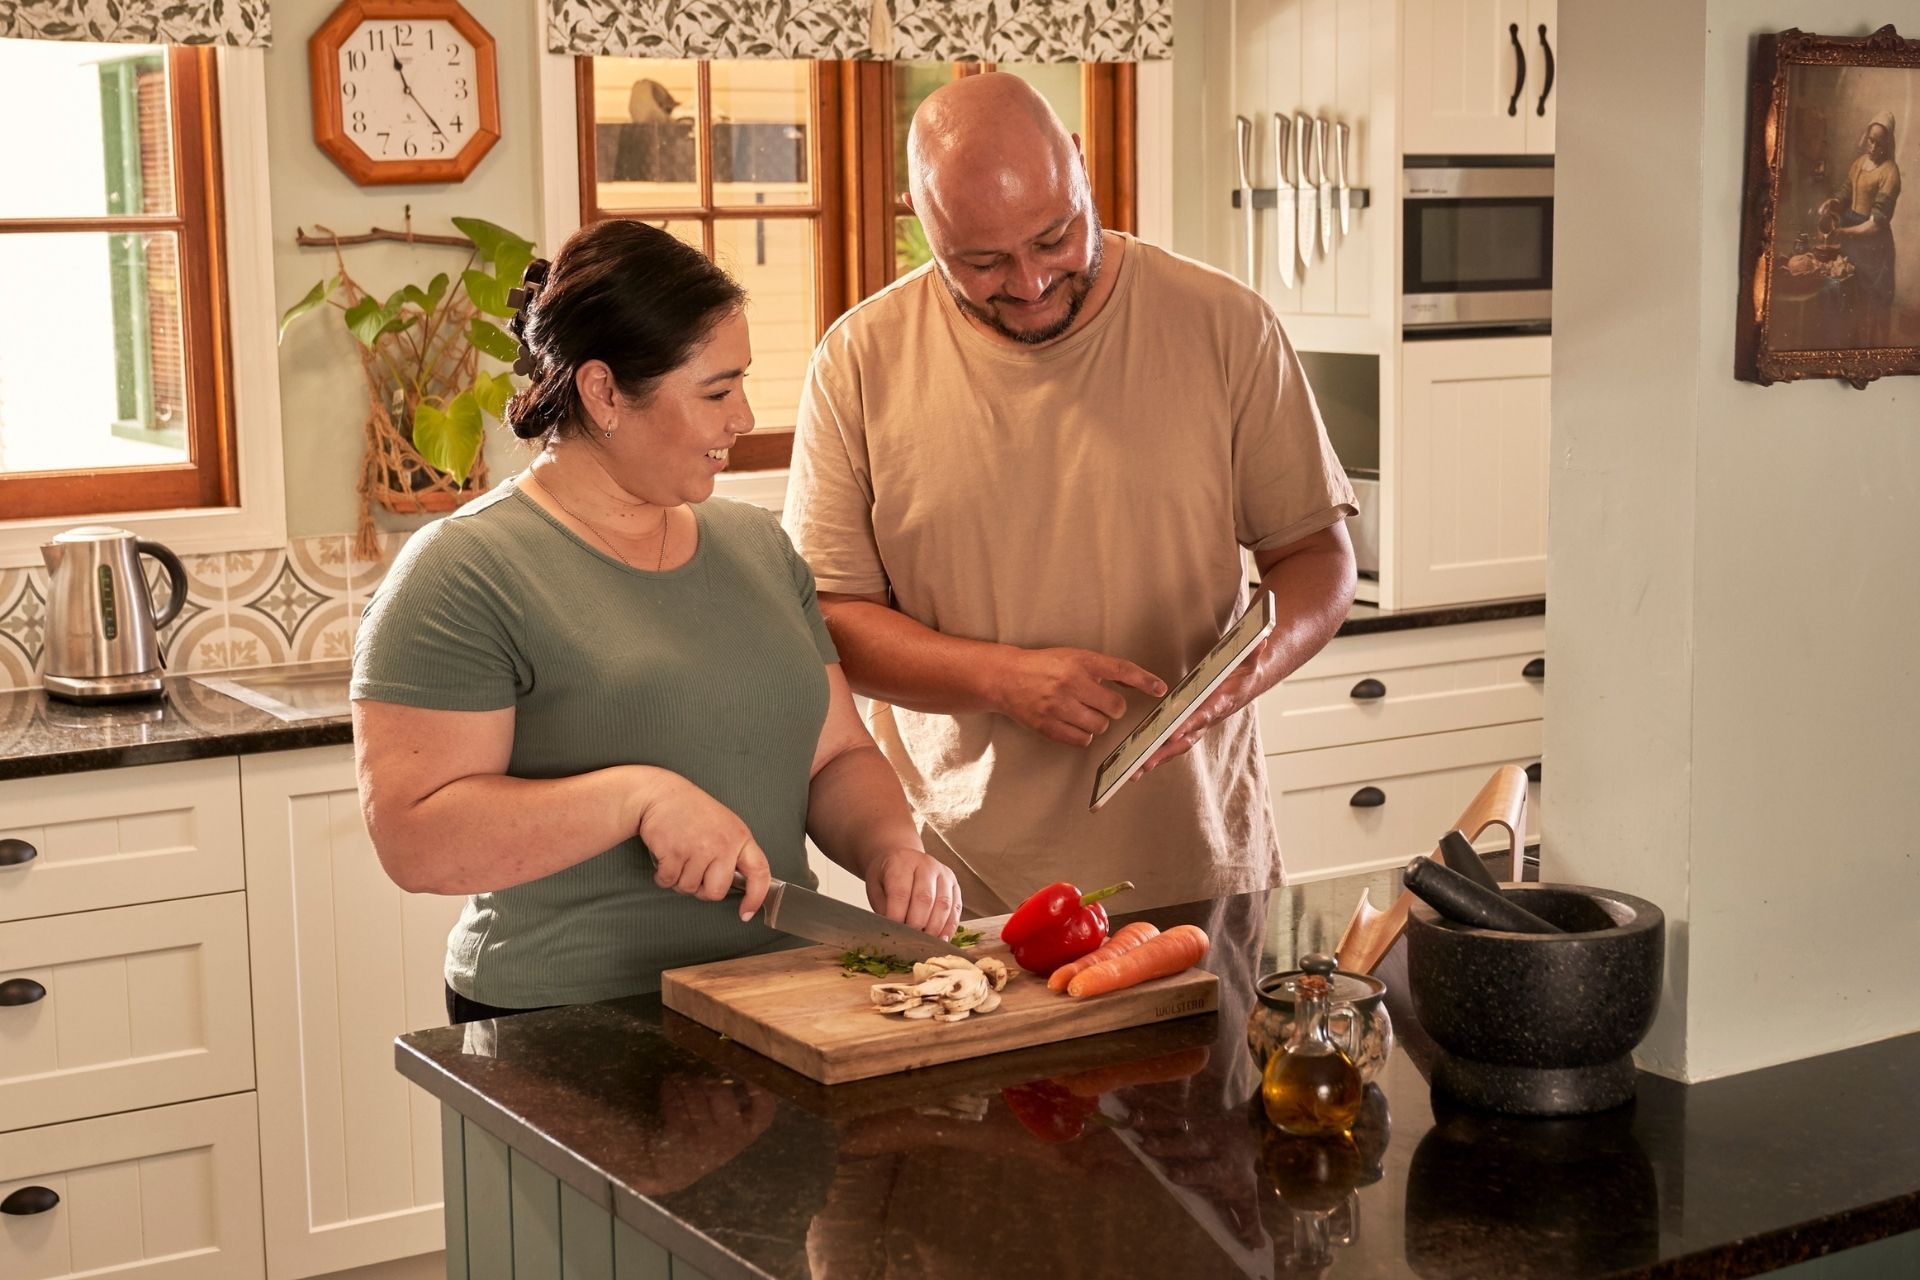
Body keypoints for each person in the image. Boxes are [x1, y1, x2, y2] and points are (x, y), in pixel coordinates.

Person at [352, 219, 962, 1024]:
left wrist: (892, 849)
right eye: (715, 391)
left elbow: (836, 755)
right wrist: (635, 799)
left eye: (740, 384)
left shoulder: (757, 546)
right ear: (604, 392)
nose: (742, 417)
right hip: (567, 1022)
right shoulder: (464, 571)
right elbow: (414, 840)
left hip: (783, 1001)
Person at [782, 73, 1357, 914]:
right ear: (919, 219)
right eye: (981, 262)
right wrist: (998, 678)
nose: (1028, 281)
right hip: (961, 882)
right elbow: (829, 618)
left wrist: (1249, 669)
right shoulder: (858, 362)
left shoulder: (1225, 325)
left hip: (1194, 862)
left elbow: (1315, 557)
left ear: (1081, 168)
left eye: (1056, 237)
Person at [1819, 111, 1901, 347]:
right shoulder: (1857, 164)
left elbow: (1876, 224)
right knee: (1846, 296)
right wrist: (1832, 202)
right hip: (1850, 241)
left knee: (1872, 304)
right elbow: (1844, 194)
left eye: (1878, 141)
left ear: (1887, 143)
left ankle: (1870, 354)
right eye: (1870, 139)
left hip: (1873, 247)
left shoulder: (1890, 172)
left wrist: (1843, 232)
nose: (1872, 146)